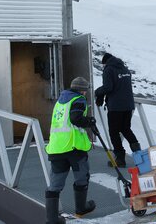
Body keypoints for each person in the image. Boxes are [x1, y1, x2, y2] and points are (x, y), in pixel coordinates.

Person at [44, 76, 97, 224]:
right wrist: (89, 121)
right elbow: (75, 119)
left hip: (56, 148)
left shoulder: (61, 101)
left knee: (55, 185)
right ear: (82, 90)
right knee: (82, 178)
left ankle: (52, 219)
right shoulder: (78, 99)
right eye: (85, 91)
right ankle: (81, 208)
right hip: (74, 148)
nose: (85, 93)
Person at [94, 53, 140, 167]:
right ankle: (139, 155)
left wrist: (98, 93)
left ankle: (120, 159)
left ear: (105, 63)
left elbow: (108, 87)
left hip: (116, 107)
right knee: (125, 129)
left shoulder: (109, 69)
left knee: (114, 132)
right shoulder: (125, 69)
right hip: (128, 105)